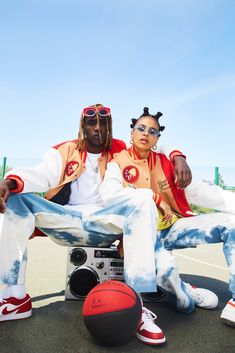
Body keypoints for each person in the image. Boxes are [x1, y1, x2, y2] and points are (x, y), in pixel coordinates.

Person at [0, 104, 191, 345]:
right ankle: (14, 297)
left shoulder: (121, 149)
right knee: (15, 198)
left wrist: (178, 156)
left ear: (111, 127)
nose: (98, 128)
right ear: (83, 125)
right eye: (92, 123)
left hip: (105, 221)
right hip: (65, 218)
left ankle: (137, 306)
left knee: (143, 198)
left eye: (104, 123)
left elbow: (155, 143)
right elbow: (41, 174)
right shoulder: (64, 150)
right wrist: (9, 181)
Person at [99, 107, 235, 334]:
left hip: (175, 227)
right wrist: (151, 197)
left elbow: (214, 195)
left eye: (152, 131)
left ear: (157, 139)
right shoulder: (117, 163)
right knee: (180, 299)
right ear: (131, 133)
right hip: (145, 236)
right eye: (140, 128)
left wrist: (178, 156)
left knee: (231, 223)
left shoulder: (169, 163)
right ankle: (184, 292)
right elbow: (109, 196)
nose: (145, 133)